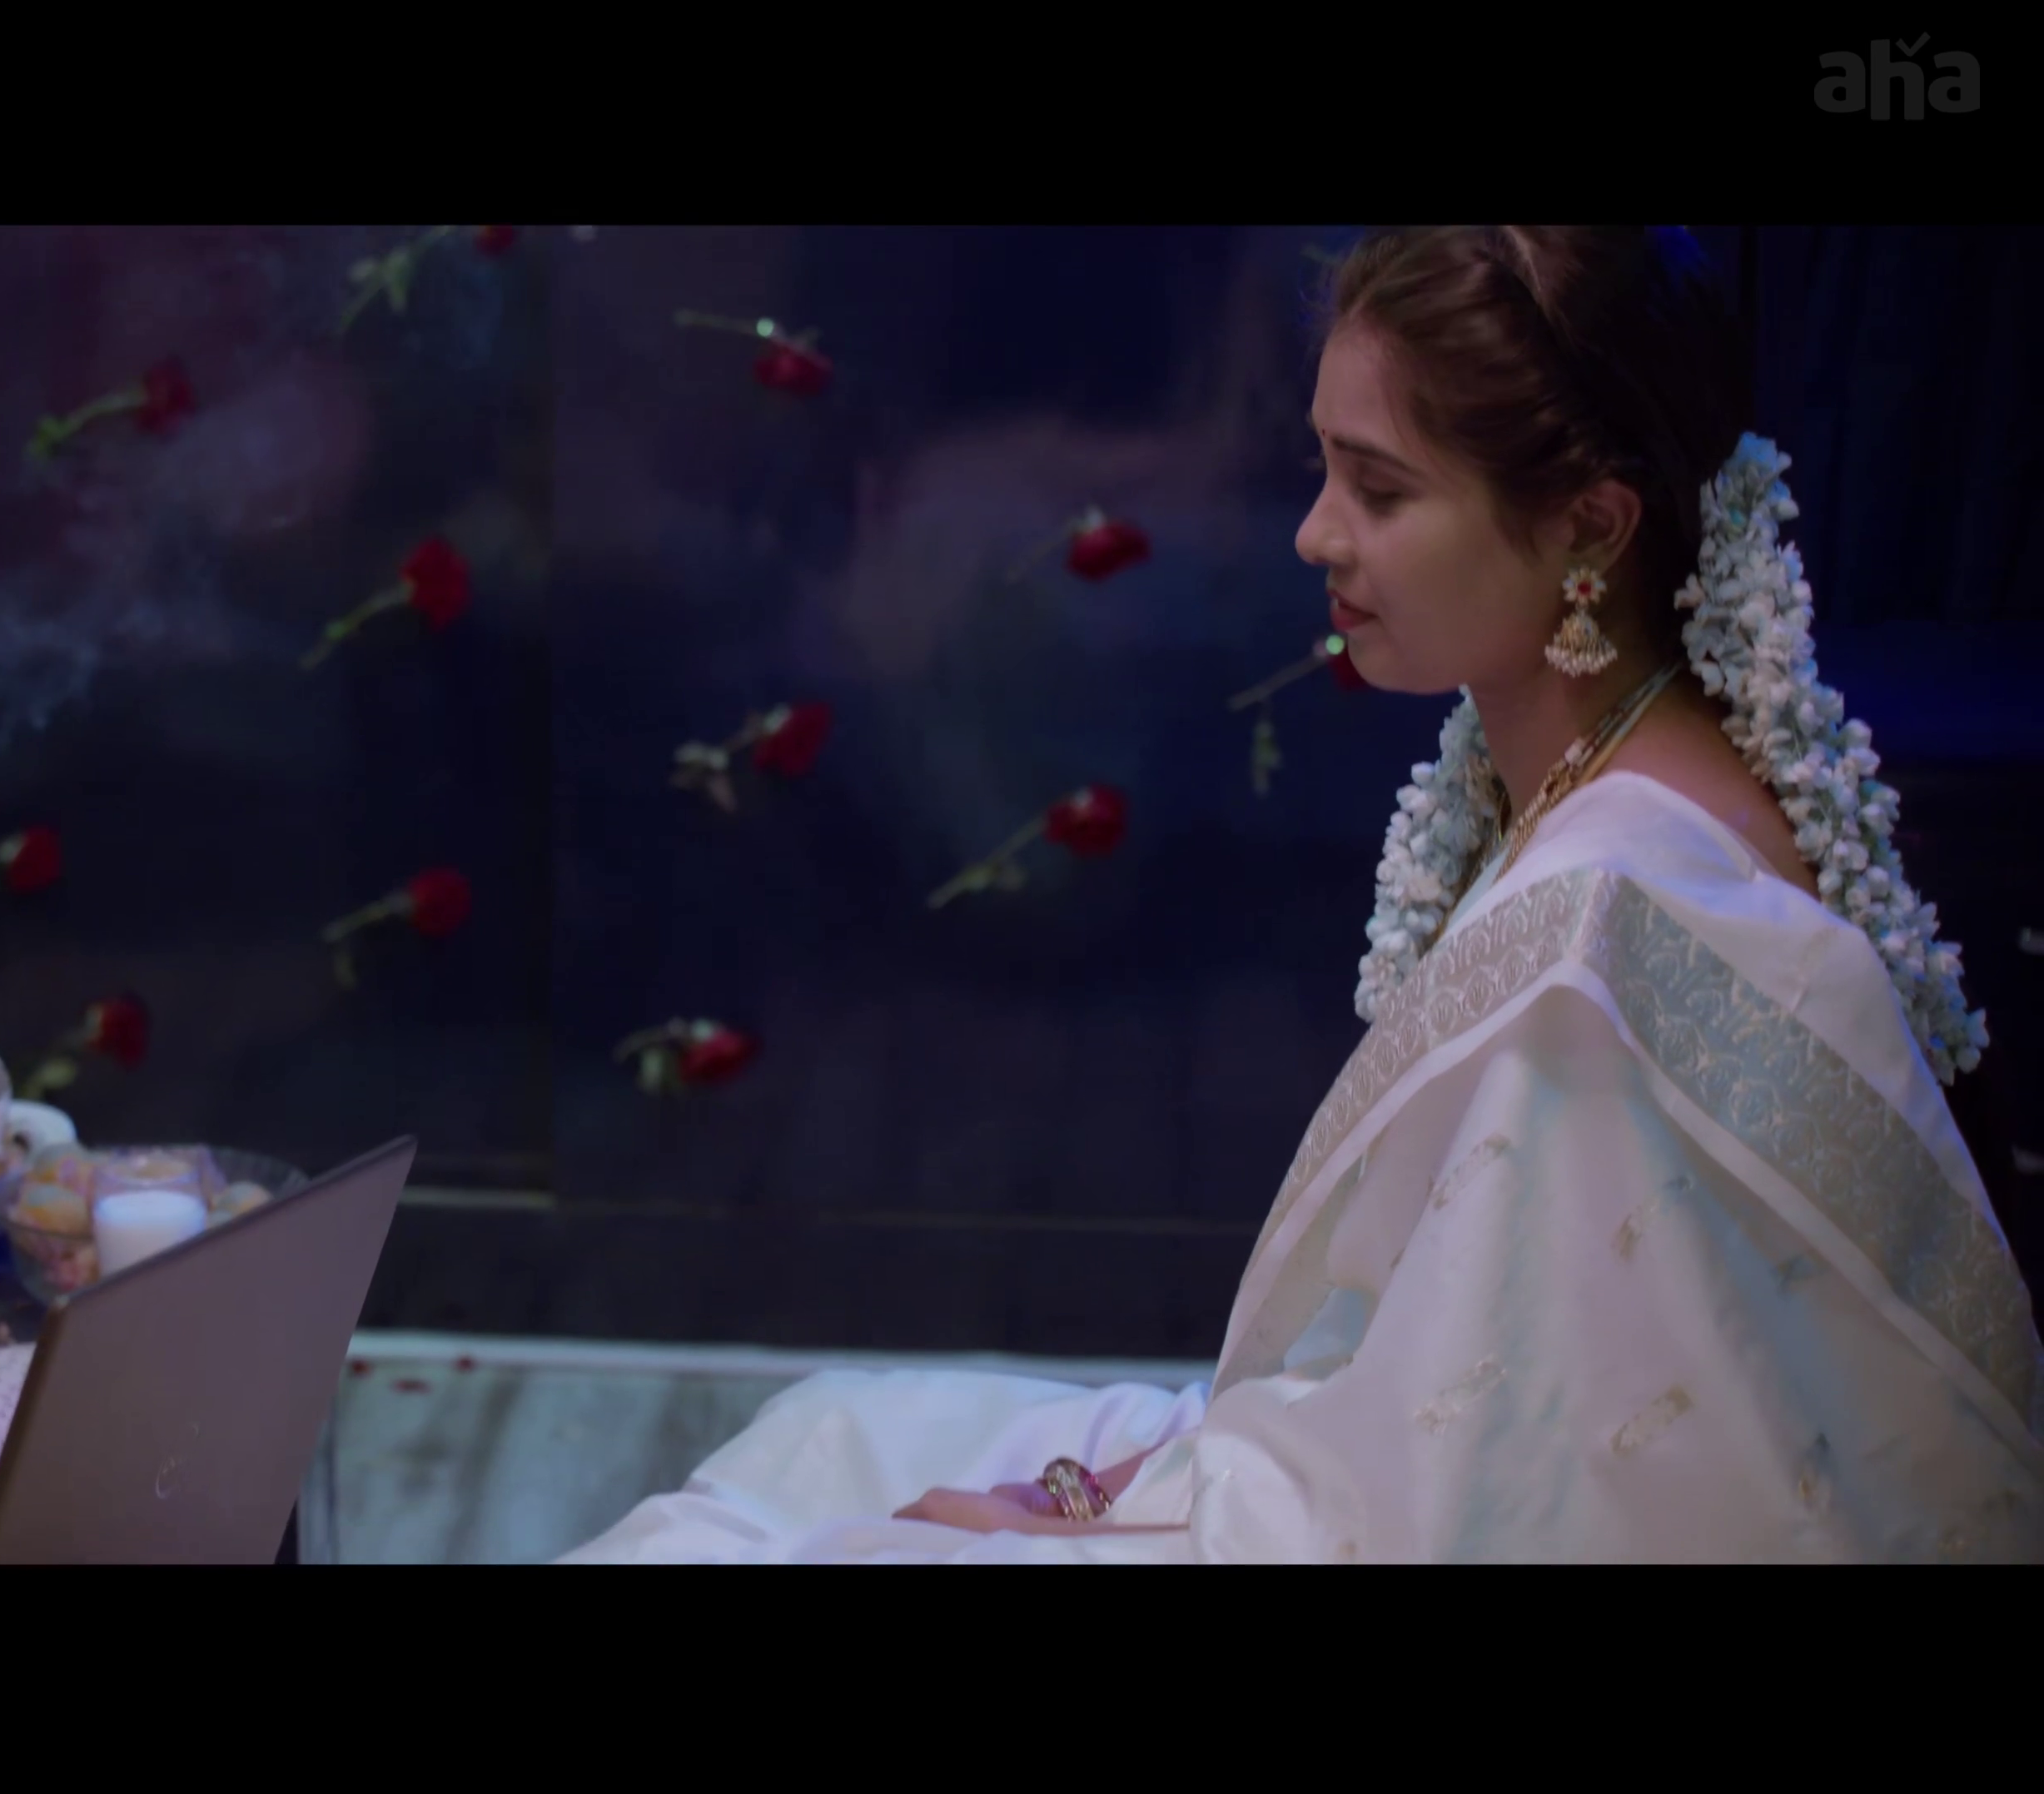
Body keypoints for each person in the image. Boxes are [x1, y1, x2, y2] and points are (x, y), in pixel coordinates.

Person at [565, 226, 2044, 1564]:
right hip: (1364, 1449)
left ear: (1592, 526)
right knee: (832, 1432)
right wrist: (1123, 1484)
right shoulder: (1593, 758)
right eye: (1325, 467)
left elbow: (1490, 1490)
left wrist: (1085, 1508)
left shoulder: (1617, 914)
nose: (1315, 534)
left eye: (1380, 489)